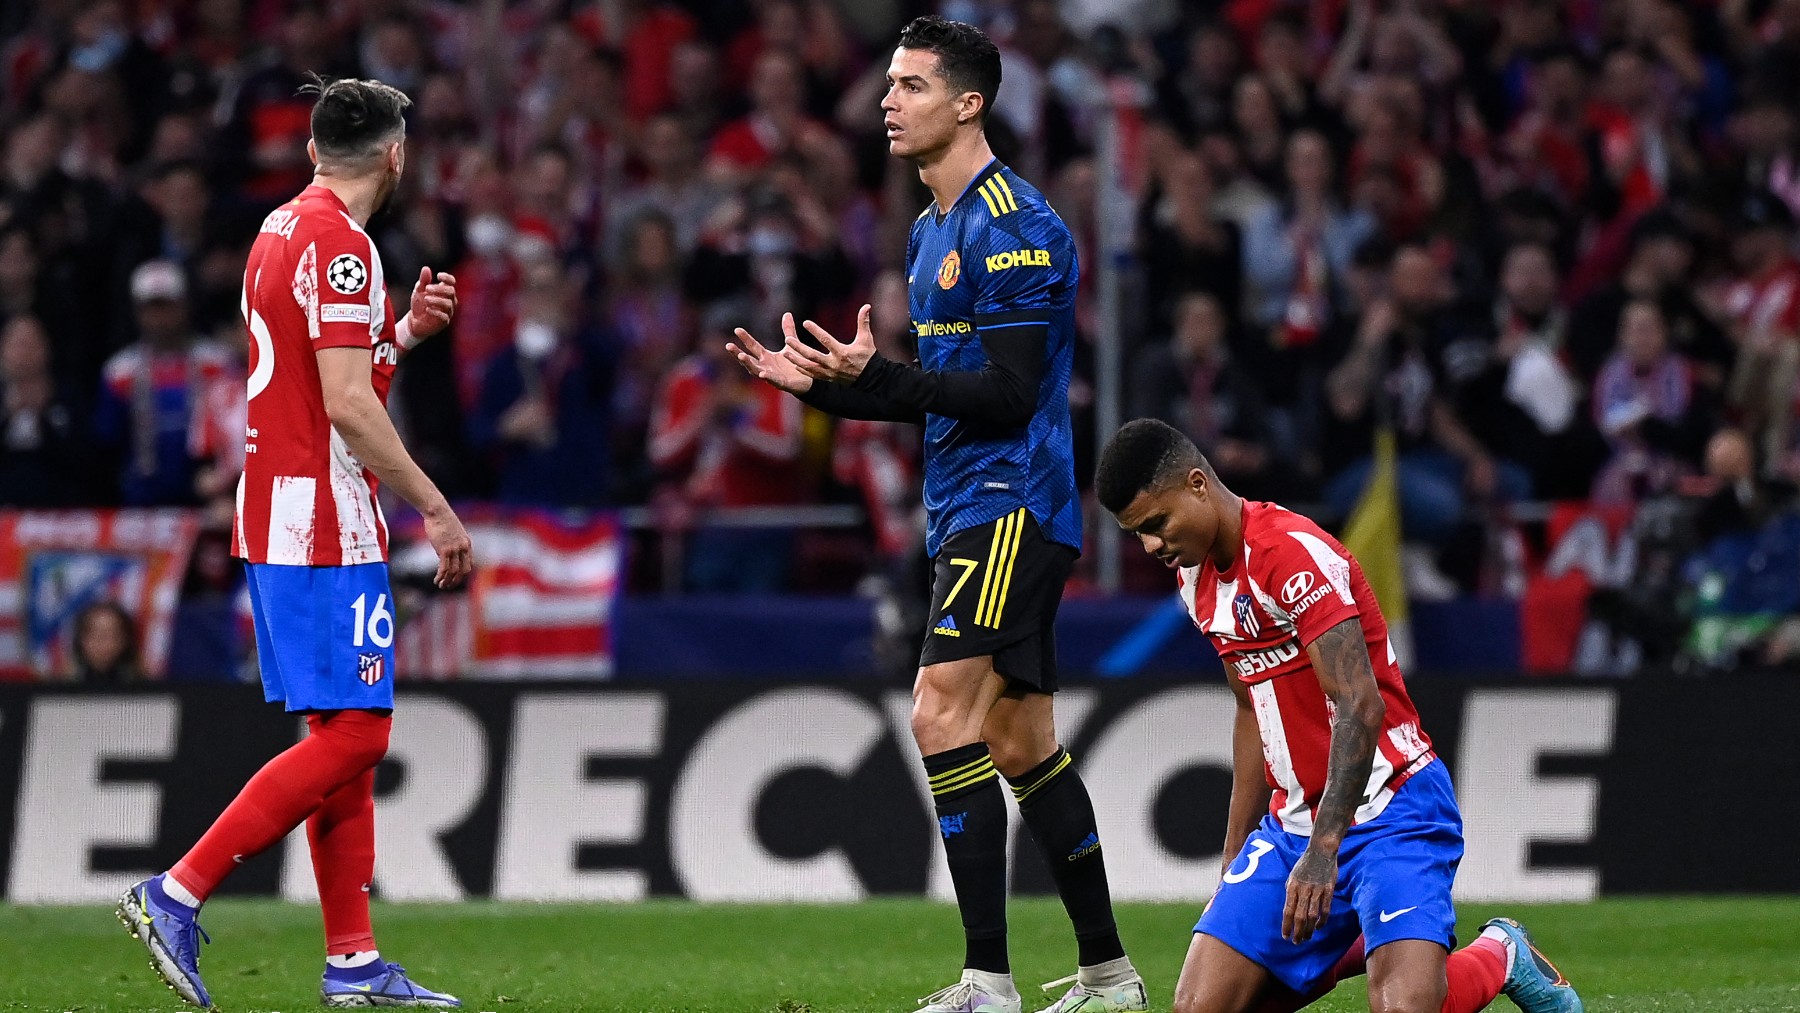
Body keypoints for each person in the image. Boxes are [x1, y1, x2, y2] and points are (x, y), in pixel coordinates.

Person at [727, 17, 1144, 1013]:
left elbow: (1005, 393)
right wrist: (827, 390)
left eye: (912, 85)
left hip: (1011, 502)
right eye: (889, 83)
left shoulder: (1014, 223)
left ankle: (987, 979)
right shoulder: (928, 231)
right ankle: (1109, 974)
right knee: (1021, 741)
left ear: (969, 102)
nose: (888, 100)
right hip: (969, 502)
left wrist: (886, 378)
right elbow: (930, 392)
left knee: (935, 710)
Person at [117, 76, 472, 1010]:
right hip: (323, 517)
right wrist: (434, 507)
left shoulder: (279, 230)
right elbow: (349, 406)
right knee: (360, 730)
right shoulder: (347, 250)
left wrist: (400, 335)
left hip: (273, 506)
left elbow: (323, 376)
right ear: (396, 154)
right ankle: (178, 888)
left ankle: (352, 962)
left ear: (316, 151)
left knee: (336, 733)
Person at [1094, 418, 1584, 1013]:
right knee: (1203, 1007)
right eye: (1137, 535)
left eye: (1155, 524)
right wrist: (1232, 863)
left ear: (1198, 485)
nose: (1150, 546)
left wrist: (1325, 851)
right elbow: (1251, 708)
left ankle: (1498, 953)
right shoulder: (1195, 578)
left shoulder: (1289, 555)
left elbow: (1361, 703)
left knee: (1405, 1008)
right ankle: (1361, 939)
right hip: (1291, 826)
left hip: (1393, 808)